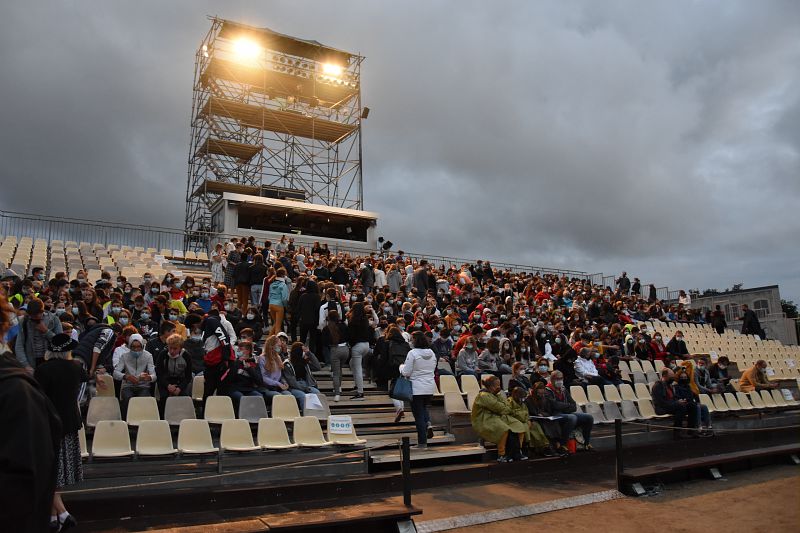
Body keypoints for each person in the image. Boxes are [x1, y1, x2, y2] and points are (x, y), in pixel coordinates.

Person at [0, 295, 62, 533]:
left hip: (46, 363)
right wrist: (26, 367)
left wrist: (45, 331)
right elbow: (21, 346)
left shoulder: (16, 390)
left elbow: (59, 341)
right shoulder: (24, 326)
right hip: (31, 366)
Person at [34, 334, 87, 531]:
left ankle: (59, 514)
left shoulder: (43, 370)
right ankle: (55, 515)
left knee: (50, 472)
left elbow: (39, 397)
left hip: (50, 425)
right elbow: (85, 377)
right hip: (71, 423)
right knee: (59, 473)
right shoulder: (75, 367)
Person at [471, 375, 527, 462]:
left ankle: (517, 452)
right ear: (491, 386)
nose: (499, 387)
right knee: (503, 428)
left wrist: (504, 407)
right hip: (485, 419)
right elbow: (498, 408)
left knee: (519, 425)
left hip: (499, 416)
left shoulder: (497, 394)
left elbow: (507, 406)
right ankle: (502, 454)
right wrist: (504, 408)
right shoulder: (483, 395)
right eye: (497, 385)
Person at [399, 331, 437, 448]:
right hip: (430, 387)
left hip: (416, 388)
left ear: (415, 340)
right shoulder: (432, 352)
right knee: (424, 408)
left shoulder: (413, 353)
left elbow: (406, 372)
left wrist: (401, 367)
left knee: (418, 415)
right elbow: (434, 368)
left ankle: (422, 442)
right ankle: (428, 424)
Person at [544, 371, 594, 453]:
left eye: (561, 378)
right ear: (552, 379)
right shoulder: (547, 390)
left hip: (565, 413)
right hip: (554, 415)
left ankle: (586, 443)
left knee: (588, 417)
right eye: (557, 379)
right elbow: (554, 406)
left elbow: (573, 405)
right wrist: (567, 405)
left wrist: (564, 406)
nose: (560, 381)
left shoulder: (563, 389)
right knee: (572, 417)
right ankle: (562, 443)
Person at [113, 333, 156, 416]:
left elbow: (154, 376)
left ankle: (142, 420)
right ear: (129, 346)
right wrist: (126, 376)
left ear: (142, 346)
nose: (136, 349)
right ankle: (126, 421)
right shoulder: (124, 356)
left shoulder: (148, 356)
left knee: (143, 399)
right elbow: (115, 373)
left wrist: (148, 377)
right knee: (127, 398)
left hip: (143, 386)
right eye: (133, 347)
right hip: (128, 385)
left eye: (138, 347)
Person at [15, 297, 63, 370]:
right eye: (32, 316)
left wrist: (46, 331)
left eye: (37, 316)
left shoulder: (53, 319)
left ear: (42, 312)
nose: (34, 319)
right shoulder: (24, 321)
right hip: (31, 363)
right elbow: (19, 345)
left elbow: (61, 342)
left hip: (50, 362)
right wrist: (26, 365)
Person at [373, 324, 410, 421]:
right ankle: (401, 409)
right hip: (403, 367)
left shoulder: (387, 343)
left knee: (393, 390)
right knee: (399, 389)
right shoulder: (405, 344)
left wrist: (379, 369)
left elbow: (383, 357)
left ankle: (399, 409)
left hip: (391, 368)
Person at [154, 334, 192, 415]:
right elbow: (159, 373)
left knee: (185, 397)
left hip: (180, 381)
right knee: (164, 398)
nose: (172, 351)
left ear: (180, 348)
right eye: (170, 348)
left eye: (175, 349)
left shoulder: (186, 356)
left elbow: (188, 376)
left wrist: (180, 388)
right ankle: (162, 418)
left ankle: (182, 417)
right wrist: (168, 385)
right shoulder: (163, 355)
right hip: (165, 381)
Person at [652, 368, 696, 438]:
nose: (673, 378)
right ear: (665, 376)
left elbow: (673, 398)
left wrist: (679, 401)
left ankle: (691, 430)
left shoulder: (669, 385)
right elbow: (661, 402)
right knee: (680, 407)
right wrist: (676, 403)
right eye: (671, 377)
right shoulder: (658, 386)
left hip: (671, 405)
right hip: (662, 408)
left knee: (692, 406)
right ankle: (677, 433)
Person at [508, 386, 551, 457]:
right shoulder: (510, 402)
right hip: (515, 421)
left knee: (535, 425)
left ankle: (543, 446)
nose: (522, 399)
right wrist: (524, 416)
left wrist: (527, 419)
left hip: (525, 420)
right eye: (521, 397)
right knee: (527, 428)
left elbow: (526, 412)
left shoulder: (522, 403)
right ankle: (526, 448)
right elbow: (514, 413)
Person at [282, 342, 322, 413]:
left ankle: (318, 415)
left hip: (306, 384)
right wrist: (305, 388)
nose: (304, 353)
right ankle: (307, 416)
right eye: (303, 351)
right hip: (293, 387)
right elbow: (292, 382)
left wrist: (309, 353)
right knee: (303, 396)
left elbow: (317, 367)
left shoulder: (305, 363)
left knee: (317, 393)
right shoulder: (287, 364)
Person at [320, 310, 349, 402]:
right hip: (345, 349)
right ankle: (339, 387)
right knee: (340, 369)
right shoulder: (343, 325)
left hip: (334, 350)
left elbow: (324, 342)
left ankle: (337, 394)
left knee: (335, 373)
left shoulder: (327, 328)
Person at [347, 301, 373, 401]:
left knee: (357, 369)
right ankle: (357, 385)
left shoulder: (353, 321)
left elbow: (351, 335)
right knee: (352, 363)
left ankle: (360, 393)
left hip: (357, 346)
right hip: (366, 345)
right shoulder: (365, 319)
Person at [267, 268, 290, 335]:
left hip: (271, 304)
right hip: (279, 305)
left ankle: (269, 339)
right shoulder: (283, 285)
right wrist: (285, 306)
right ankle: (276, 341)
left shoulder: (272, 284)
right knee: (278, 326)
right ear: (283, 275)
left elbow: (269, 296)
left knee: (275, 324)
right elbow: (284, 298)